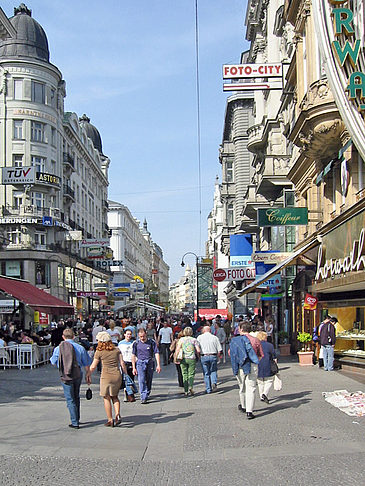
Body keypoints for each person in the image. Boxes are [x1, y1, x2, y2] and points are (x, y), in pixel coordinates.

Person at [50, 328, 92, 429]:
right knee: (76, 396)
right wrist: (88, 375)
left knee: (70, 398)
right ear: (74, 337)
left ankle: (74, 422)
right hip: (78, 373)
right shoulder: (80, 347)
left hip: (65, 375)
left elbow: (53, 361)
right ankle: (77, 417)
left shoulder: (58, 348)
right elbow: (86, 363)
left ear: (63, 337)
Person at [87, 331, 127, 427]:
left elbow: (93, 366)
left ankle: (110, 419)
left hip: (106, 376)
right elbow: (122, 363)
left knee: (106, 397)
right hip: (117, 375)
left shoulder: (99, 352)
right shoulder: (117, 350)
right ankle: (117, 414)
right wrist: (125, 374)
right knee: (115, 396)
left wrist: (88, 374)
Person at [229, 322, 260, 420]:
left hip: (240, 365)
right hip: (252, 364)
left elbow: (230, 353)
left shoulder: (235, 341)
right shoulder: (255, 340)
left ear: (241, 329)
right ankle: (249, 411)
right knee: (251, 387)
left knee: (242, 386)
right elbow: (260, 353)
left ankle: (243, 406)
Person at [132, 328, 161, 403]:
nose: (142, 338)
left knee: (149, 379)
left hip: (149, 362)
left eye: (143, 336)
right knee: (141, 380)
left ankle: (147, 391)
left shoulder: (151, 342)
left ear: (146, 334)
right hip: (140, 363)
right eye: (141, 336)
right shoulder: (136, 343)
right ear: (138, 335)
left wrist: (158, 365)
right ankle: (143, 396)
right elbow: (133, 355)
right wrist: (134, 367)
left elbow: (156, 353)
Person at [175, 327, 200, 396]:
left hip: (183, 358)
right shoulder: (194, 340)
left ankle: (186, 390)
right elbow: (198, 350)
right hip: (192, 358)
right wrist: (198, 356)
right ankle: (191, 386)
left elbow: (177, 349)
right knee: (191, 373)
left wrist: (175, 357)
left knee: (184, 374)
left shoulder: (181, 339)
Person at [197, 326, 222, 394]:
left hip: (204, 356)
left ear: (204, 330)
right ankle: (214, 382)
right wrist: (219, 356)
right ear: (210, 331)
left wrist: (198, 356)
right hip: (213, 355)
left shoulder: (199, 338)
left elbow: (197, 349)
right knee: (213, 370)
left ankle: (208, 389)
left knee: (206, 373)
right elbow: (219, 350)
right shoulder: (215, 337)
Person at [256, 331, 277, 404]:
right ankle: (264, 393)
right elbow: (274, 356)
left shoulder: (256, 345)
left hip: (258, 364)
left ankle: (261, 396)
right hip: (267, 364)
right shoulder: (270, 345)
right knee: (269, 380)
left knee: (260, 381)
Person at [118, 329, 138, 402]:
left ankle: (130, 392)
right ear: (124, 335)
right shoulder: (121, 343)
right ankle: (127, 394)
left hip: (131, 362)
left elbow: (136, 352)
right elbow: (118, 353)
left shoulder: (134, 343)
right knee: (125, 379)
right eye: (127, 334)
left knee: (131, 379)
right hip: (124, 362)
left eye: (130, 334)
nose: (129, 336)